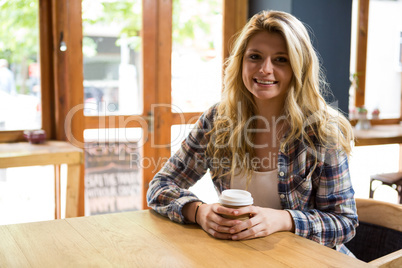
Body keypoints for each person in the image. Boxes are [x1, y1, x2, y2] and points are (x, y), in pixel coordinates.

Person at [147, 10, 358, 256]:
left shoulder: (322, 131)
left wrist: (284, 220)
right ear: (241, 62)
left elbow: (344, 222)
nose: (265, 69)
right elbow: (160, 185)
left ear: (299, 66)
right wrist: (198, 211)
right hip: (243, 257)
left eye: (281, 59)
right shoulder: (218, 120)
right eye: (255, 57)